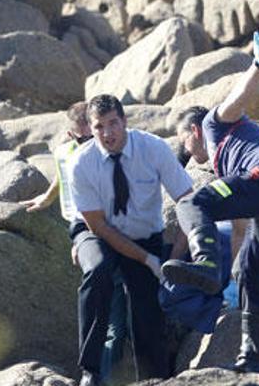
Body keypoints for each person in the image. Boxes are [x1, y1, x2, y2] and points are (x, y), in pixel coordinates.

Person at [165, 31, 259, 372]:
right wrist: (227, 280)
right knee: (247, 273)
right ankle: (253, 357)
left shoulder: (214, 123)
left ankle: (206, 266)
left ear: (193, 131)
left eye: (184, 141)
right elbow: (240, 230)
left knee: (188, 205)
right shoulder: (226, 171)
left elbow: (239, 96)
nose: (186, 150)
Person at [69, 95, 193, 386]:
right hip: (94, 231)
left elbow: (189, 202)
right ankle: (91, 370)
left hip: (143, 235)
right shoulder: (81, 164)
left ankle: (154, 379)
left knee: (147, 316)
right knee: (97, 269)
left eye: (113, 123)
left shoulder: (154, 149)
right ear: (91, 128)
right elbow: (98, 226)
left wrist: (172, 259)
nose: (108, 133)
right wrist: (148, 260)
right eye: (99, 127)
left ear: (125, 121)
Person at [20, 102, 128, 384]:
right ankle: (93, 373)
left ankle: (100, 375)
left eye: (94, 136)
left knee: (118, 310)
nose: (91, 143)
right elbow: (63, 174)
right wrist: (47, 198)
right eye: (83, 138)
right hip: (86, 229)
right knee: (104, 291)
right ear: (71, 135)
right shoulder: (66, 153)